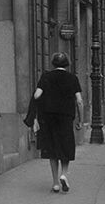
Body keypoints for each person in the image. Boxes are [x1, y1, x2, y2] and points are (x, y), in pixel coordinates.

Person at [33, 52, 83, 193]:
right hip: (66, 117)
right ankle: (64, 174)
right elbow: (79, 100)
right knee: (65, 147)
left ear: (53, 64)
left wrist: (36, 114)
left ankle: (55, 183)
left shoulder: (46, 77)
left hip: (48, 118)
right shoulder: (72, 78)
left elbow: (37, 95)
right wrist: (81, 118)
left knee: (52, 149)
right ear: (67, 64)